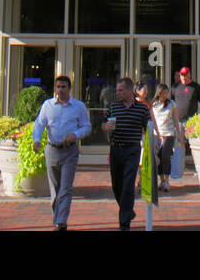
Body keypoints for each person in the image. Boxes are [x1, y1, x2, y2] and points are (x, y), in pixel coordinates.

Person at [32, 75, 91, 230]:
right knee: (55, 187)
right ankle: (57, 216)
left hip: (69, 151)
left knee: (65, 187)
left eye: (63, 87)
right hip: (52, 149)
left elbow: (87, 126)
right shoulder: (48, 105)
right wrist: (36, 140)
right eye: (58, 87)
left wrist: (76, 135)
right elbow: (39, 124)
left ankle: (61, 221)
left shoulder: (78, 106)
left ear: (69, 89)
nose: (60, 90)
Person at [103, 77, 154, 230]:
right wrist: (106, 127)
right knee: (117, 185)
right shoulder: (113, 107)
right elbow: (104, 125)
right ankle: (128, 211)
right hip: (116, 148)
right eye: (117, 90)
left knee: (128, 185)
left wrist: (153, 152)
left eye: (121, 90)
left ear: (130, 90)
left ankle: (124, 223)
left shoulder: (142, 109)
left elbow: (149, 128)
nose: (118, 93)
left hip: (132, 149)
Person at [151, 83, 184, 191]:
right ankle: (161, 180)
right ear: (158, 93)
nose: (165, 95)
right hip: (157, 134)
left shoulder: (171, 104)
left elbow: (175, 119)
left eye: (166, 93)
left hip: (169, 133)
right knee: (158, 158)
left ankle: (167, 180)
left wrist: (179, 134)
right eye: (163, 93)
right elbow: (152, 120)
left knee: (166, 157)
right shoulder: (154, 104)